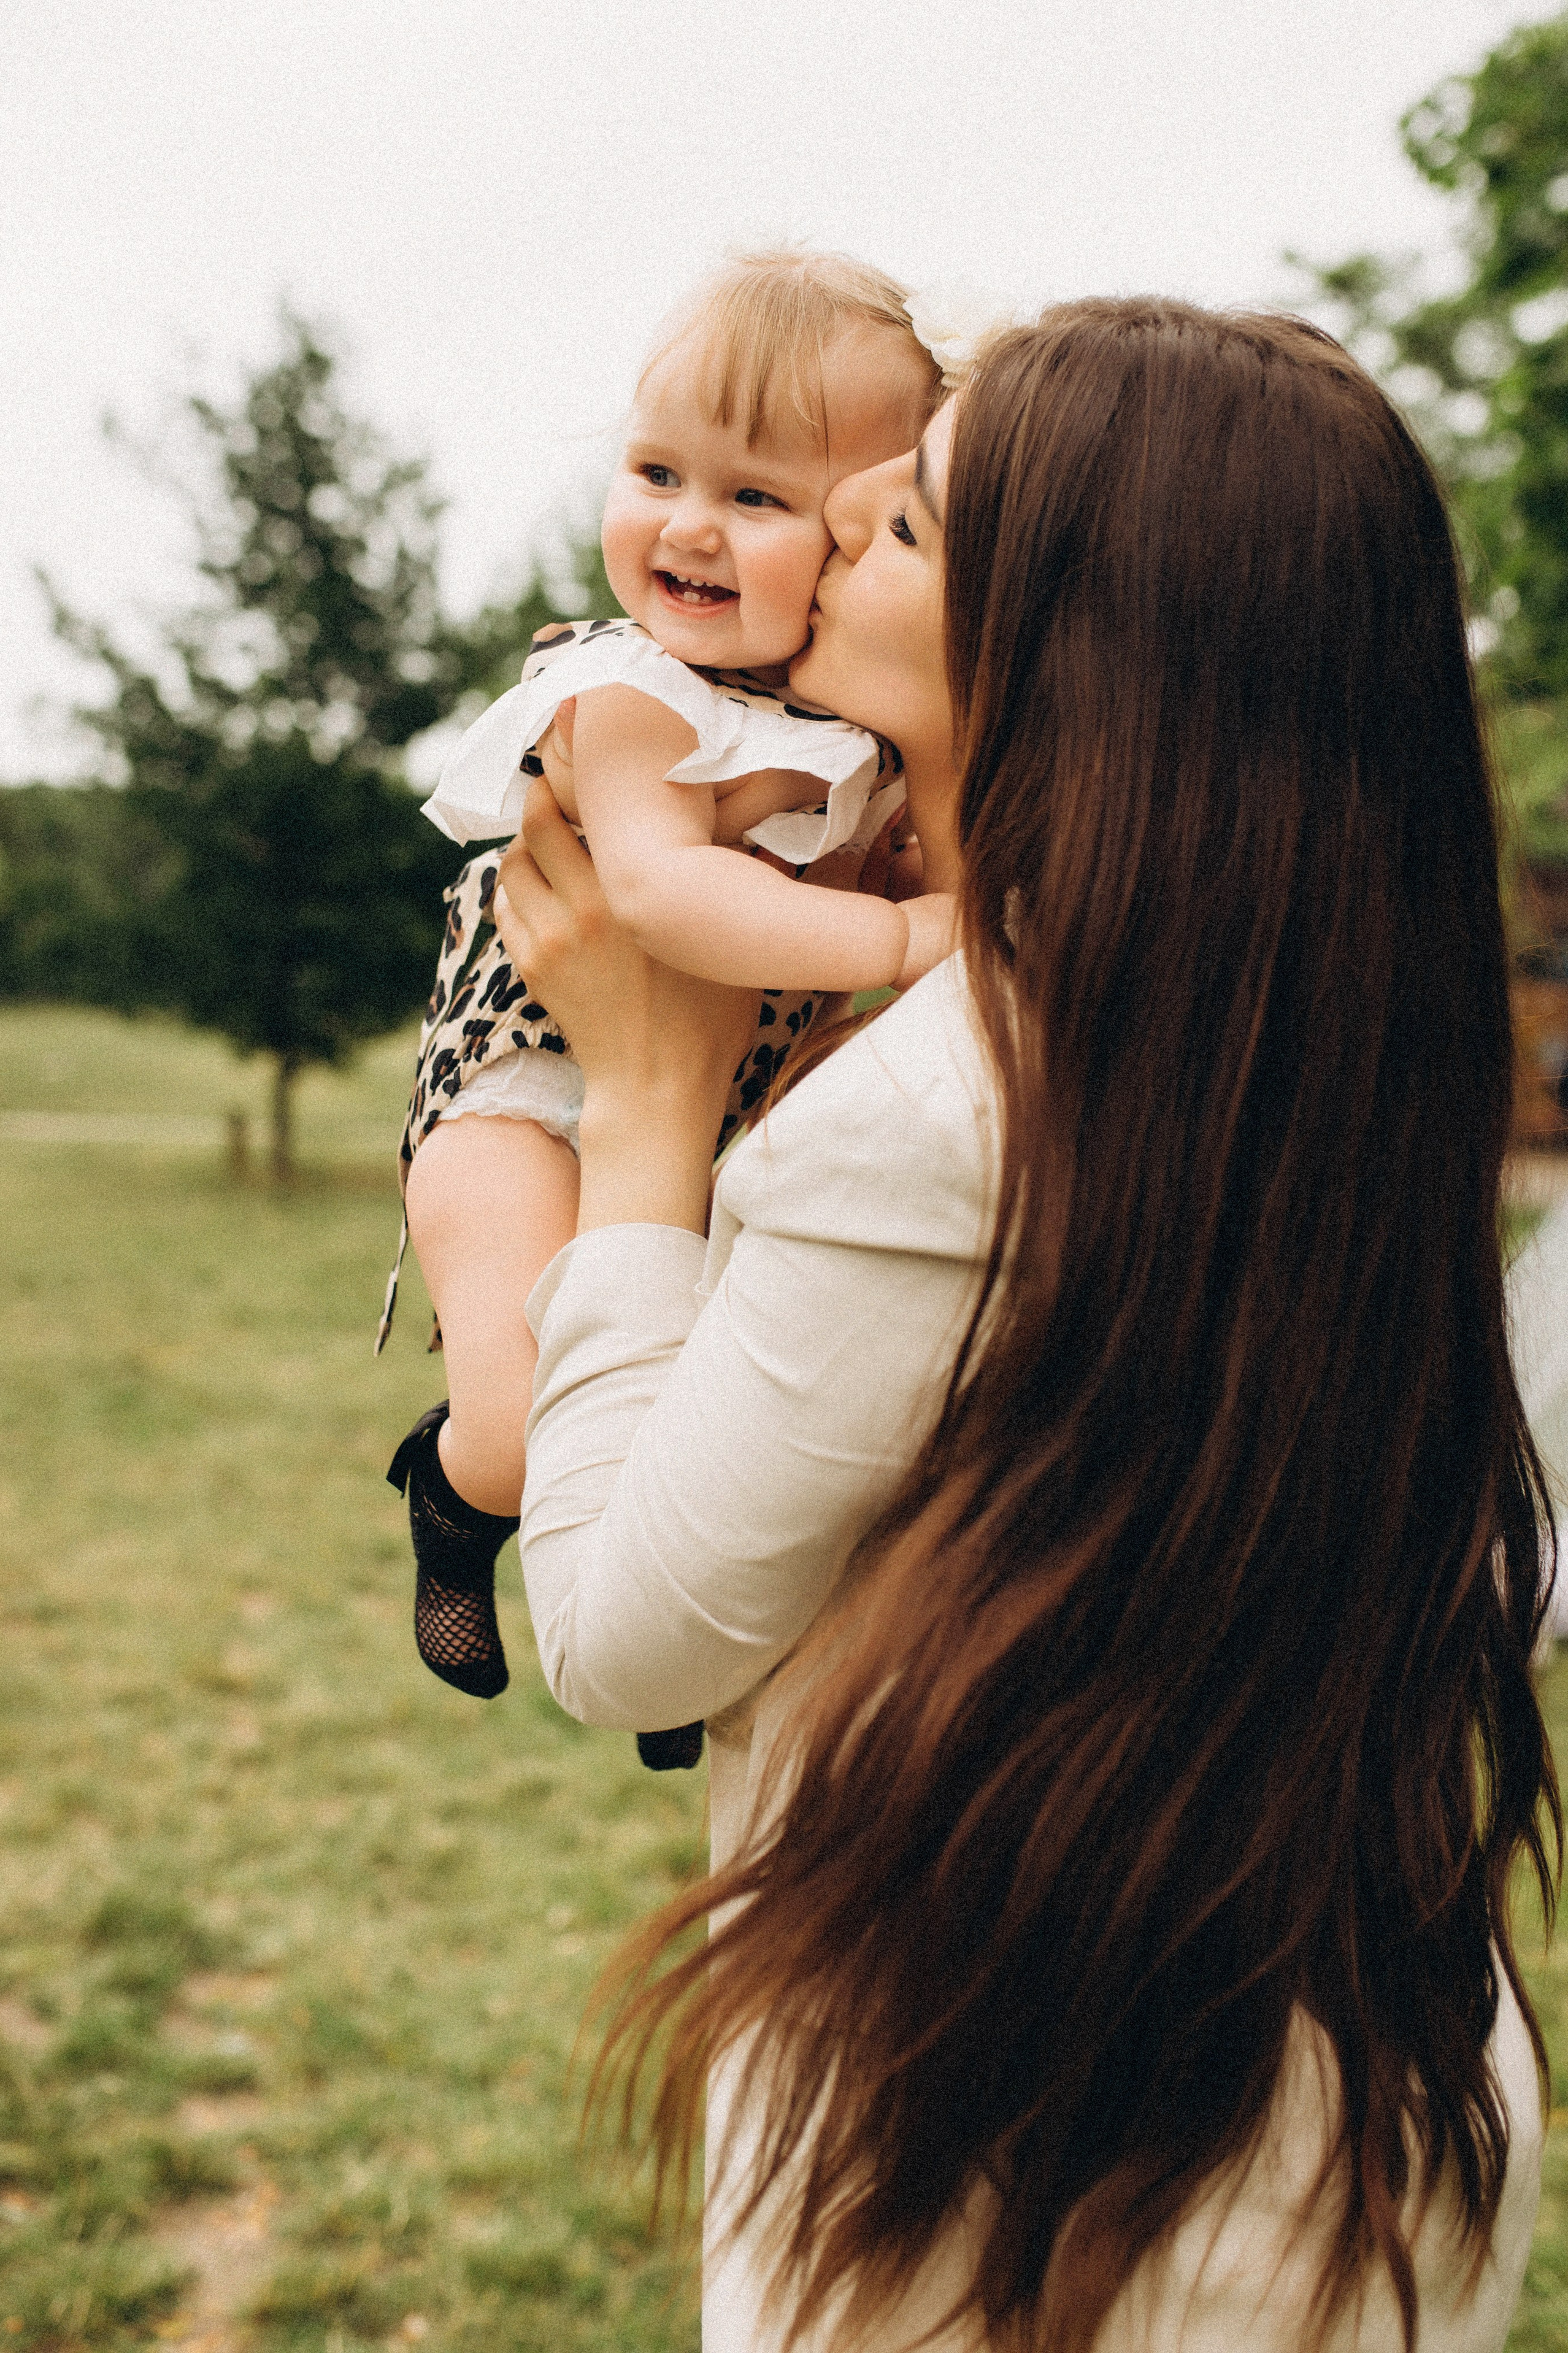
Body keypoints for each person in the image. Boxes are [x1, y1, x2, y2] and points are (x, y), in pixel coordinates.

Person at [496, 300, 1559, 2351]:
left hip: (1016, 2169)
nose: (854, 502)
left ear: (1078, 660)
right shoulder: (1324, 1046)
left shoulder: (942, 1114)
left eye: (919, 521)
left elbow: (628, 1631)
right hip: (1359, 2113)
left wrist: (640, 1103)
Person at [382, 251, 950, 1723]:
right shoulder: (629, 695)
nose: (688, 525)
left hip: (694, 1102)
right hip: (520, 1087)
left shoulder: (846, 728)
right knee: (517, 1421)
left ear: (841, 543)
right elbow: (657, 894)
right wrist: (901, 944)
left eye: (758, 500)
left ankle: (680, 1668)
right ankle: (448, 1498)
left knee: (686, 1418)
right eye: (654, 470)